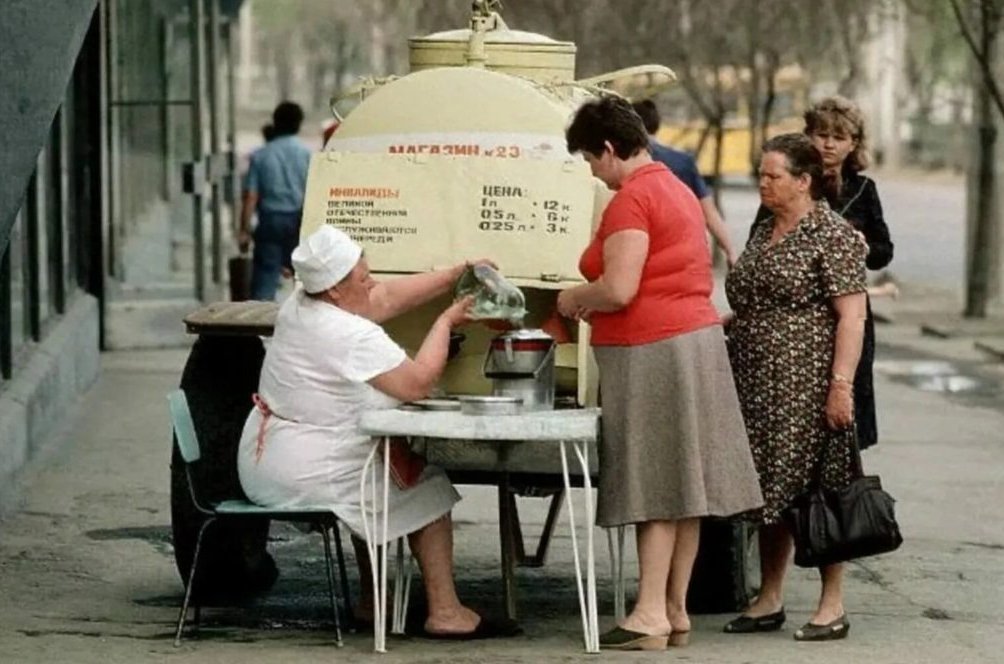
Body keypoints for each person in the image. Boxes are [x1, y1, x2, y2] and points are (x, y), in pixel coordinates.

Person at [236, 225, 517, 640]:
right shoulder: (347, 333)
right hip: (303, 468)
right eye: (363, 279)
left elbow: (383, 299)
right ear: (334, 290)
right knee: (427, 485)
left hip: (268, 457)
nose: (373, 284)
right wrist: (446, 321)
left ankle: (373, 602)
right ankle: (446, 611)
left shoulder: (301, 304)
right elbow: (417, 383)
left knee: (372, 486)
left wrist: (457, 272)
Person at [556, 96, 763, 651]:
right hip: (694, 340)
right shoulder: (675, 186)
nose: (592, 172)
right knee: (684, 485)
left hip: (651, 348)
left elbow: (620, 288)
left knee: (651, 483)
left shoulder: (632, 199)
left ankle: (647, 611)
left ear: (608, 148)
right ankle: (674, 608)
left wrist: (574, 297)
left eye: (589, 160)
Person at [723, 133, 867, 641]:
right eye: (760, 175)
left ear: (804, 182)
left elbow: (852, 316)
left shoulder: (833, 234)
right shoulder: (764, 229)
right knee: (768, 490)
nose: (762, 183)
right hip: (754, 380)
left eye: (772, 176)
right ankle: (769, 595)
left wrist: (841, 387)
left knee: (819, 489)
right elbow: (749, 299)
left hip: (806, 382)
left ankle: (832, 604)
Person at [804, 96, 893, 451]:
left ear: (853, 143)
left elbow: (884, 252)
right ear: (808, 136)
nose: (828, 143)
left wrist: (863, 245)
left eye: (838, 137)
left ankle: (844, 497)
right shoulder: (795, 182)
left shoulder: (864, 190)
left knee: (846, 413)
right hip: (804, 313)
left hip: (851, 313)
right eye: (821, 134)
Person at [631, 99, 739, 267]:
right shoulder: (683, 161)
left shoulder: (621, 161)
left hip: (638, 251)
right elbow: (709, 213)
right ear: (657, 125)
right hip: (681, 254)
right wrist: (730, 251)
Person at [238, 101, 312, 300]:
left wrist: (244, 231)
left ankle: (262, 324)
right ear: (299, 123)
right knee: (305, 279)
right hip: (299, 220)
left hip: (270, 222)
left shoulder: (261, 156)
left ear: (276, 122)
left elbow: (251, 197)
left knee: (265, 279)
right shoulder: (307, 156)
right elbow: (313, 194)